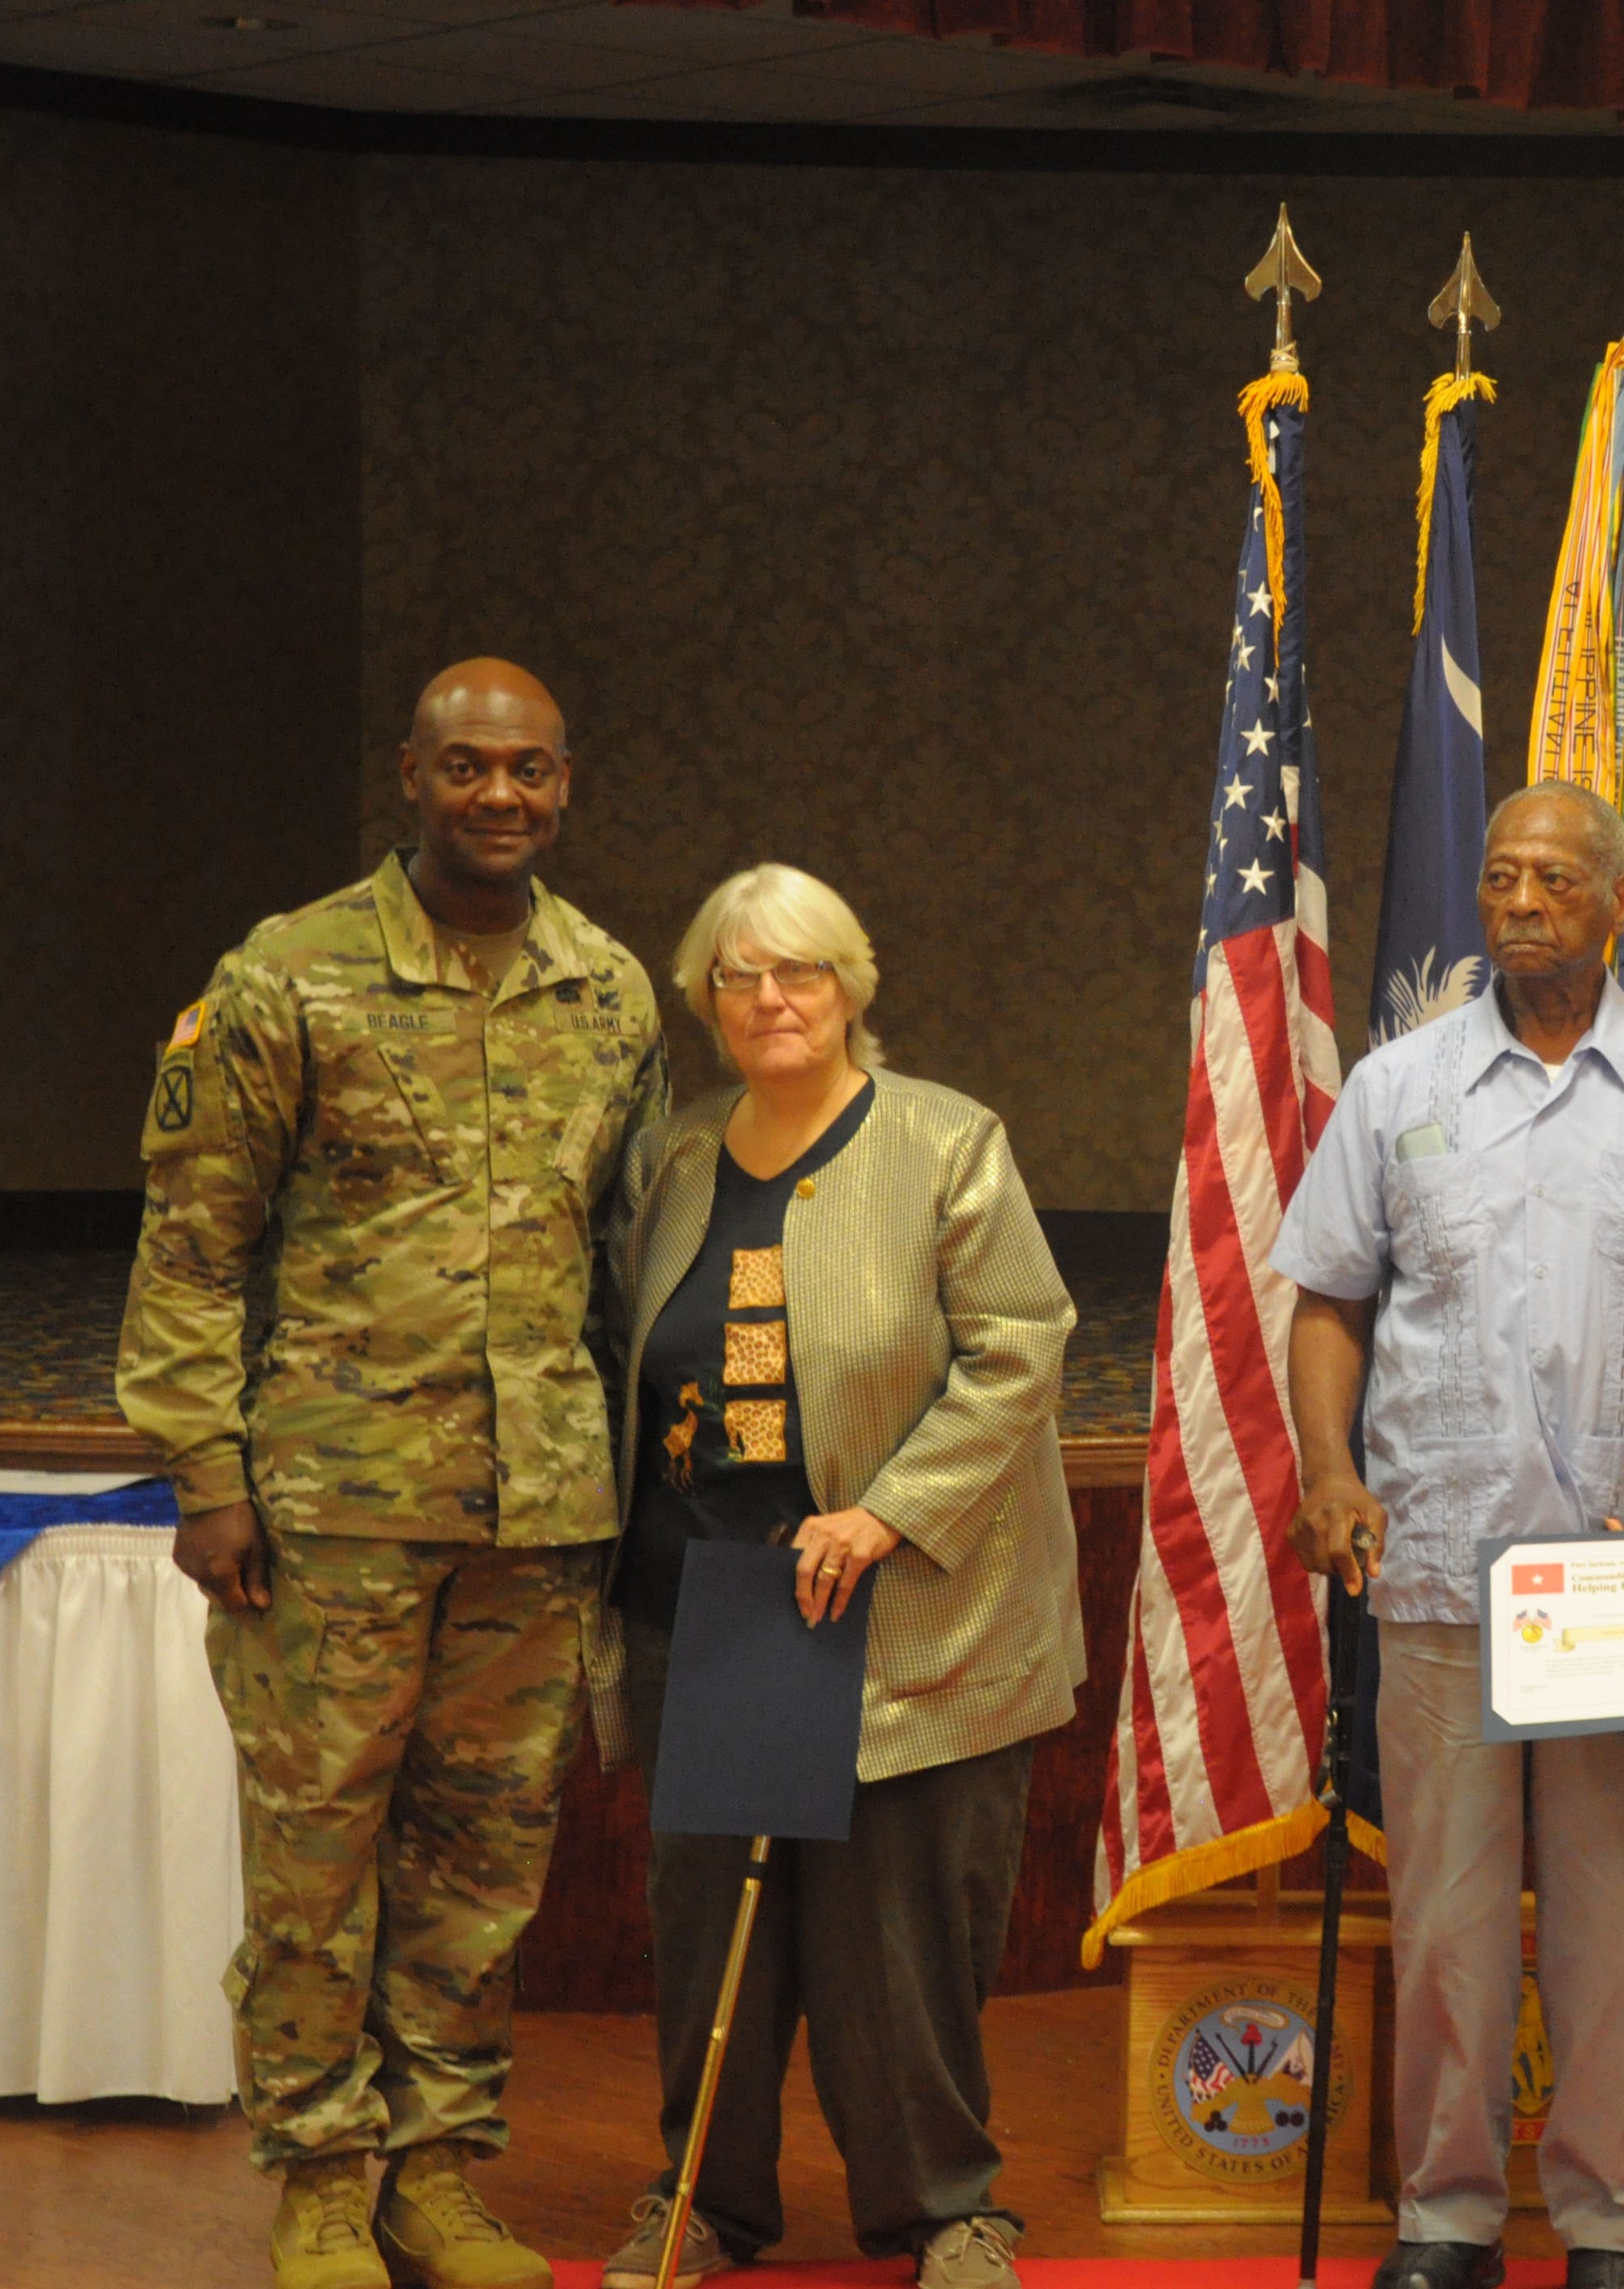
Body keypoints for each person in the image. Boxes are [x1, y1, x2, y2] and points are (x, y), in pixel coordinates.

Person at [118, 659, 668, 2289]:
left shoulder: (613, 989)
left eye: (529, 771)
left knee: (483, 1860)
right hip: (332, 1505)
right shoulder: (286, 978)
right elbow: (193, 1244)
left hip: (540, 1507)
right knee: (315, 1853)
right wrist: (205, 1470)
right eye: (464, 768)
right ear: (410, 778)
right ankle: (318, 2172)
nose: (498, 797)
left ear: (567, 781)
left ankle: (436, 2168)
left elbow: (627, 1255)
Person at [1274, 780, 1624, 2289]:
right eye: (1498, 875)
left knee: (1617, 1923)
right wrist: (1328, 1471)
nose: (1516, 901)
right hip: (1438, 1567)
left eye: (1553, 878)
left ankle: (1609, 2224)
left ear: (1618, 899)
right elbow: (1328, 1300)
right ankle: (1445, 2215)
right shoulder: (1397, 1087)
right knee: (1441, 1919)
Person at [591, 864, 1080, 2289]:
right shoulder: (679, 1156)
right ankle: (701, 2199)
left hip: (904, 1608)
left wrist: (885, 1511)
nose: (769, 998)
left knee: (900, 1942)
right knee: (713, 1939)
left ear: (852, 985)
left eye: (797, 971)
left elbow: (1020, 1345)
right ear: (705, 1002)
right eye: (737, 977)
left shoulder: (944, 1140)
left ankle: (948, 2210)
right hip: (719, 1610)